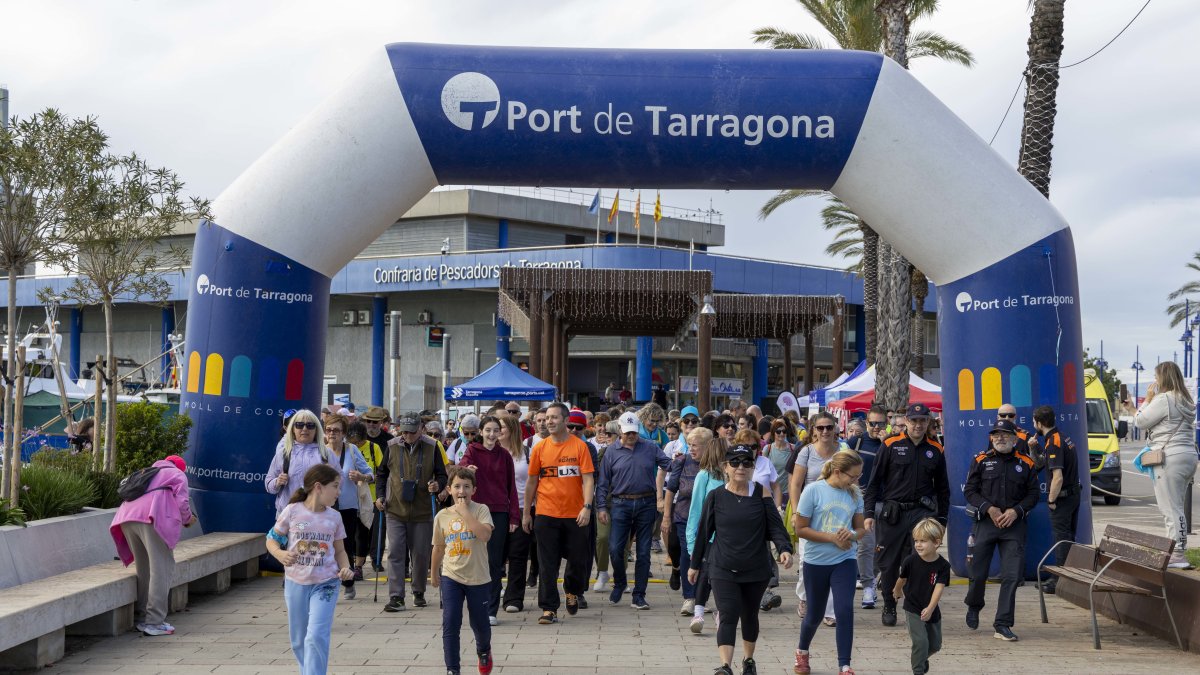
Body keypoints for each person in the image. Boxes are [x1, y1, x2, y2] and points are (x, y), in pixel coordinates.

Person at [689, 444, 794, 675]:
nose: (740, 467)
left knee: (749, 615)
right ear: (725, 467)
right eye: (735, 462)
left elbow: (776, 528)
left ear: (753, 467)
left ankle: (748, 660)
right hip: (722, 566)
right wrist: (695, 564)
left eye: (746, 462)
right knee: (728, 614)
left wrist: (784, 549)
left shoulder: (761, 493)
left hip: (755, 568)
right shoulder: (715, 496)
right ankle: (725, 666)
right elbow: (704, 533)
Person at [863, 402, 949, 627]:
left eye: (923, 421)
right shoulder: (891, 445)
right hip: (893, 514)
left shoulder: (936, 449)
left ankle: (918, 606)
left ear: (928, 422)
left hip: (922, 513)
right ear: (906, 422)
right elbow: (874, 483)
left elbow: (943, 489)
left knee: (922, 560)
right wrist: (869, 513)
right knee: (889, 563)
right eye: (914, 421)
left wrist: (942, 520)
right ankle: (890, 603)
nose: (918, 425)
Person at [265, 464, 355, 675]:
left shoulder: (334, 517)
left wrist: (346, 569)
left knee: (316, 636)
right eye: (335, 486)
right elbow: (271, 540)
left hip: (327, 584)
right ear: (318, 487)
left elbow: (340, 551)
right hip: (295, 582)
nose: (338, 492)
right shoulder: (292, 511)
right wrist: (280, 554)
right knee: (298, 640)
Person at [963, 419, 1039, 641]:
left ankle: (1003, 623)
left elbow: (1034, 495)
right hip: (986, 523)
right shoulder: (980, 460)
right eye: (996, 435)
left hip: (1013, 526)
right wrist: (989, 509)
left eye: (1005, 434)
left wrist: (1016, 511)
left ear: (1015, 438)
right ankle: (974, 605)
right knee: (977, 574)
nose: (1000, 438)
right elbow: (970, 491)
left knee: (1012, 575)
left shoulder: (1026, 463)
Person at [792, 450, 867, 675]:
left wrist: (851, 535)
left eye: (858, 476)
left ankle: (844, 664)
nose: (856, 481)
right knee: (814, 615)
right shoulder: (813, 491)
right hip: (816, 561)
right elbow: (800, 529)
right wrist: (832, 537)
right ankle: (802, 652)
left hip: (845, 559)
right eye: (852, 476)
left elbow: (861, 529)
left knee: (844, 610)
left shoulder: (855, 494)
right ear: (837, 472)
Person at [523, 402, 595, 625]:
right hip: (546, 514)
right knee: (547, 563)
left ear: (565, 421)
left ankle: (572, 591)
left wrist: (587, 507)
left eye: (554, 418)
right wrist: (527, 513)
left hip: (575, 515)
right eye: (546, 418)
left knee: (577, 560)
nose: (549, 422)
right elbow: (532, 481)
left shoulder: (580, 447)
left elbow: (588, 479)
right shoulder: (540, 448)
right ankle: (548, 608)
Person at [109, 454, 195, 636]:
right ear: (180, 467)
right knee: (161, 569)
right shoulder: (177, 475)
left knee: (144, 569)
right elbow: (182, 502)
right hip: (151, 519)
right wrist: (188, 519)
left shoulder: (149, 472)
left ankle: (142, 618)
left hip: (126, 519)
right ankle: (154, 622)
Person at [596, 411, 672, 610]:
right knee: (615, 548)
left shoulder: (650, 447)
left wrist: (681, 460)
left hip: (646, 503)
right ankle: (620, 583)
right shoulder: (611, 451)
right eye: (627, 432)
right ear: (620, 430)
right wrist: (601, 507)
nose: (631, 436)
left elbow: (668, 464)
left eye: (634, 432)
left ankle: (639, 594)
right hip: (621, 503)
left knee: (644, 552)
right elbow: (603, 483)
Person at [375, 413, 448, 612]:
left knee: (421, 554)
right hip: (395, 508)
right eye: (404, 431)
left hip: (423, 509)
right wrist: (380, 496)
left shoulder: (433, 447)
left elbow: (442, 474)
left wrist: (437, 484)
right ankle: (396, 596)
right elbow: (381, 474)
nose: (407, 435)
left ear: (421, 429)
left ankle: (418, 591)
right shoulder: (391, 446)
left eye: (412, 432)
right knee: (396, 552)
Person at [432, 466, 495, 675]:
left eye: (467, 487)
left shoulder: (481, 509)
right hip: (451, 576)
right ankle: (453, 669)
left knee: (480, 624)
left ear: (474, 490)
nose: (462, 491)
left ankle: (483, 650)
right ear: (449, 489)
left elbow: (485, 535)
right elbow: (439, 547)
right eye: (457, 486)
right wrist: (434, 573)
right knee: (450, 621)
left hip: (478, 578)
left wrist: (465, 513)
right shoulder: (442, 516)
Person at [1135, 361, 1198, 569]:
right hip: (1188, 455)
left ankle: (1178, 553)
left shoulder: (1164, 399)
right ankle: (1178, 550)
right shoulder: (1186, 400)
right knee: (1177, 505)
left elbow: (1141, 421)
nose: (1155, 381)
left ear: (1164, 378)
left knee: (1170, 507)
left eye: (1156, 377)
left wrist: (1147, 400)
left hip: (1169, 457)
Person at [458, 415, 520, 625]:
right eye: (488, 430)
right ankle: (476, 604)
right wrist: (468, 469)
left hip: (499, 512)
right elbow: (461, 468)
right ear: (481, 432)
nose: (492, 434)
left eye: (496, 430)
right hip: (476, 510)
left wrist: (514, 516)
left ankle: (491, 609)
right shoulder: (473, 450)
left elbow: (511, 488)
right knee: (473, 559)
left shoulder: (504, 456)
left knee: (494, 562)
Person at [786, 412, 843, 622]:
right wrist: (796, 511)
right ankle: (805, 597)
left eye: (829, 427)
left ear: (835, 428)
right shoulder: (806, 452)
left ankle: (828, 610)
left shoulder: (843, 450)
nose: (825, 431)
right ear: (813, 431)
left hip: (836, 513)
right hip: (810, 514)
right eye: (820, 428)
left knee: (833, 560)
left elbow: (852, 480)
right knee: (807, 560)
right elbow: (795, 484)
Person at [1031, 405, 1082, 593]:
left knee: (1061, 539)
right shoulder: (1059, 437)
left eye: (1033, 421)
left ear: (1040, 423)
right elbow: (1041, 463)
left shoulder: (1054, 442)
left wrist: (1051, 500)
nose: (1032, 424)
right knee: (1067, 538)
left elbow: (1057, 476)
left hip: (1063, 498)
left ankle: (1058, 581)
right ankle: (1066, 578)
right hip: (1074, 495)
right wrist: (1033, 447)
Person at [322, 413, 374, 600]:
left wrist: (361, 477)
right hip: (324, 507)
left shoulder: (351, 450)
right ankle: (329, 583)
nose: (332, 433)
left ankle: (348, 582)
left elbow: (370, 474)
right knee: (325, 546)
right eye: (328, 429)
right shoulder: (320, 452)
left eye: (336, 430)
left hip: (347, 507)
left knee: (345, 545)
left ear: (343, 432)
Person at [685, 433, 730, 633]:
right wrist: (691, 543)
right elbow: (695, 510)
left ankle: (721, 612)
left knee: (724, 577)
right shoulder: (704, 475)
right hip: (708, 537)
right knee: (705, 574)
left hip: (728, 537)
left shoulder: (733, 476)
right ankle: (699, 612)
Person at [893, 518, 950, 675]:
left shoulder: (943, 566)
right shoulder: (910, 561)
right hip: (913, 607)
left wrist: (931, 608)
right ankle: (918, 670)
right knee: (920, 642)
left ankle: (921, 660)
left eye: (923, 541)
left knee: (935, 645)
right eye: (916, 540)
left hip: (931, 609)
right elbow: (902, 578)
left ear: (936, 542)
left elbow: (939, 588)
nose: (918, 544)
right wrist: (897, 590)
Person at [662, 425, 707, 617]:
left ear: (708, 446)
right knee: (687, 554)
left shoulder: (716, 464)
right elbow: (671, 490)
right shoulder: (681, 461)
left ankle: (701, 597)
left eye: (696, 445)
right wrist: (666, 517)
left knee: (706, 558)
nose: (692, 449)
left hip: (708, 520)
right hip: (684, 517)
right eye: (689, 444)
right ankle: (689, 597)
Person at [851, 405, 888, 609]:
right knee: (866, 545)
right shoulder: (856, 442)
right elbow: (842, 466)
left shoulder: (892, 443)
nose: (876, 427)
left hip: (889, 502)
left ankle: (873, 580)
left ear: (886, 424)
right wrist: (855, 486)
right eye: (872, 423)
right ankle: (867, 586)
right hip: (865, 503)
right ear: (866, 423)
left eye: (880, 423)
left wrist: (886, 444)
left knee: (882, 547)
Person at [265, 410, 330, 516]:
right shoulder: (283, 452)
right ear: (292, 429)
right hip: (287, 515)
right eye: (299, 425)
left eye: (310, 425)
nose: (304, 429)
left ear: (316, 429)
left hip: (316, 516)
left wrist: (329, 480)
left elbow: (339, 483)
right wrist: (277, 482)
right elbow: (268, 483)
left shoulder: (326, 453)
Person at [501, 413, 535, 613]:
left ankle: (514, 597)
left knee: (518, 555)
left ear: (512, 430)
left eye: (501, 428)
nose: (497, 432)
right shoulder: (492, 452)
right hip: (497, 509)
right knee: (495, 556)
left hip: (523, 508)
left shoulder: (527, 453)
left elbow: (534, 481)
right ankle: (492, 591)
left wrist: (530, 511)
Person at [591, 419, 620, 593]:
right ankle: (602, 571)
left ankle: (619, 574)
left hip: (625, 502)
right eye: (604, 433)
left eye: (609, 433)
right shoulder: (602, 453)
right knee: (602, 538)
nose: (605, 436)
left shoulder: (631, 452)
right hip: (604, 502)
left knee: (621, 543)